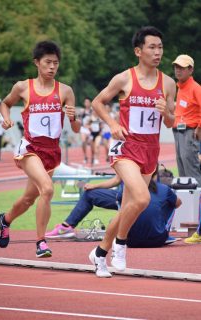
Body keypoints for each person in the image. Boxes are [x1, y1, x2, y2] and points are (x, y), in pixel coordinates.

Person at [89, 26, 176, 277]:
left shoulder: (168, 83)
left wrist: (166, 113)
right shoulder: (124, 78)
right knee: (142, 199)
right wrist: (113, 124)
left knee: (129, 207)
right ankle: (121, 244)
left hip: (150, 150)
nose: (157, 52)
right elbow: (97, 102)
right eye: (152, 47)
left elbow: (171, 122)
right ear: (138, 51)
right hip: (126, 147)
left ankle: (99, 253)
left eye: (160, 47)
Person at [0, 40, 81, 258]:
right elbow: (5, 103)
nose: (52, 67)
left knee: (28, 199)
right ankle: (41, 242)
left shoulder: (66, 91)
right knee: (48, 188)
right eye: (47, 62)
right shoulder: (23, 87)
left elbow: (76, 128)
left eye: (56, 63)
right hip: (30, 148)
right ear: (37, 63)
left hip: (51, 152)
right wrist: (6, 119)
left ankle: (5, 220)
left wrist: (73, 118)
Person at [45, 171, 182, 248]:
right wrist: (96, 186)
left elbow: (118, 182)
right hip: (127, 195)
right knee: (169, 201)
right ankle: (67, 226)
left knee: (125, 205)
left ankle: (125, 232)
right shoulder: (164, 189)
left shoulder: (143, 150)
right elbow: (116, 179)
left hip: (128, 205)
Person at [172, 54, 201, 186]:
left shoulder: (195, 88)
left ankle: (198, 205)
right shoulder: (180, 88)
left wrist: (199, 127)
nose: (178, 70)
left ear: (190, 70)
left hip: (189, 132)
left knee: (192, 172)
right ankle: (187, 205)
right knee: (183, 172)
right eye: (176, 67)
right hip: (178, 132)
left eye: (182, 68)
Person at [79, 97, 92, 163]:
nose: (87, 103)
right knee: (83, 142)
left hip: (90, 129)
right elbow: (79, 120)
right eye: (85, 102)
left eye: (88, 102)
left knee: (91, 143)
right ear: (84, 103)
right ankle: (85, 156)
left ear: (90, 103)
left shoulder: (92, 111)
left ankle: (93, 156)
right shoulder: (82, 111)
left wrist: (90, 126)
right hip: (83, 128)